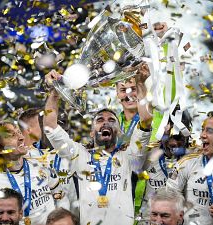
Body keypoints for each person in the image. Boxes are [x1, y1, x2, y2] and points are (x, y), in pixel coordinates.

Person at [44, 70, 152, 225]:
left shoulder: (129, 156)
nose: (106, 122)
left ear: (119, 131)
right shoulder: (79, 155)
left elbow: (146, 120)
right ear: (92, 132)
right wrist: (55, 92)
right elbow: (50, 127)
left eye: (111, 120)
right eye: (100, 120)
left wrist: (140, 84)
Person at [0, 121, 60, 224]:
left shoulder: (41, 163)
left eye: (19, 132)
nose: (21, 138)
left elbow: (60, 196)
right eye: (12, 135)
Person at [19, 108, 78, 213]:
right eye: (54, 124)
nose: (60, 128)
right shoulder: (26, 157)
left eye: (63, 124)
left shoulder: (76, 153)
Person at [138, 108, 192, 215]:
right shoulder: (148, 154)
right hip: (150, 218)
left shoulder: (194, 159)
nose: (173, 143)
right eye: (169, 136)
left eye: (179, 137)